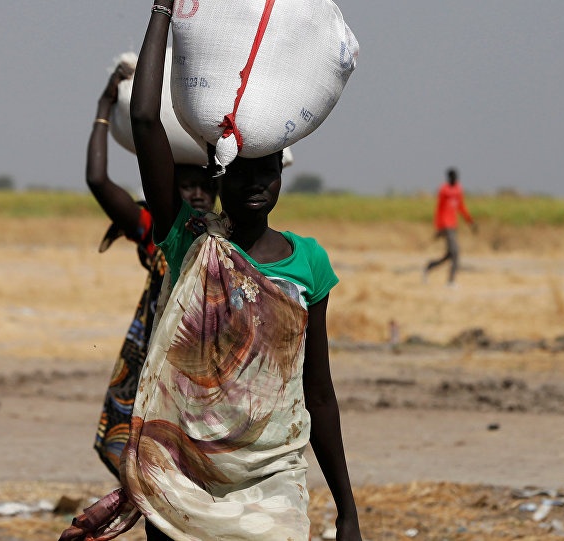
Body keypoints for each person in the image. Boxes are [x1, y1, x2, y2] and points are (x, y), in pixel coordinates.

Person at [60, 2, 362, 540]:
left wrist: (347, 509)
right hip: (183, 475)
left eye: (267, 171)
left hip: (273, 481)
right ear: (218, 179)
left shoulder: (309, 263)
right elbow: (148, 120)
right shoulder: (189, 241)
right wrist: (161, 11)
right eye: (241, 173)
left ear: (281, 177)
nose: (255, 184)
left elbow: (319, 393)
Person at [87, 63, 217, 478]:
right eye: (185, 184)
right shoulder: (158, 231)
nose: (196, 193)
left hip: (213, 371)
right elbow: (97, 180)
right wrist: (104, 107)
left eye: (204, 184)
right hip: (160, 370)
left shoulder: (234, 237)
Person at [423, 168, 476, 285]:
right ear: (448, 177)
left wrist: (470, 222)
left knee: (449, 255)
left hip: (453, 225)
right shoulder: (444, 191)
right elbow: (439, 209)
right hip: (445, 225)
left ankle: (428, 267)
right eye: (452, 177)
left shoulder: (458, 190)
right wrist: (438, 227)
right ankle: (451, 281)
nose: (454, 179)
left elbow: (461, 207)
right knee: (456, 252)